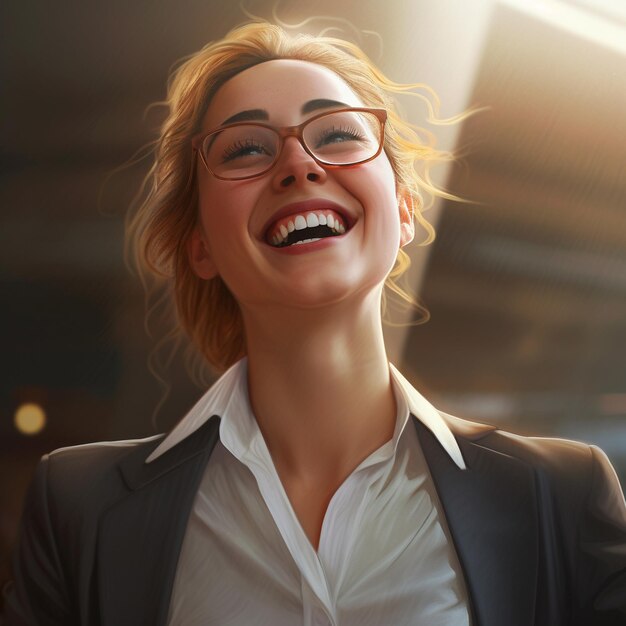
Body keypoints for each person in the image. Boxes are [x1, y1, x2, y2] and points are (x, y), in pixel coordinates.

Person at [3, 20, 626, 626]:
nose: (298, 165)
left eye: (337, 135)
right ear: (200, 247)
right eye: (246, 148)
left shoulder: (561, 498)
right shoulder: (79, 509)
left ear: (404, 210)